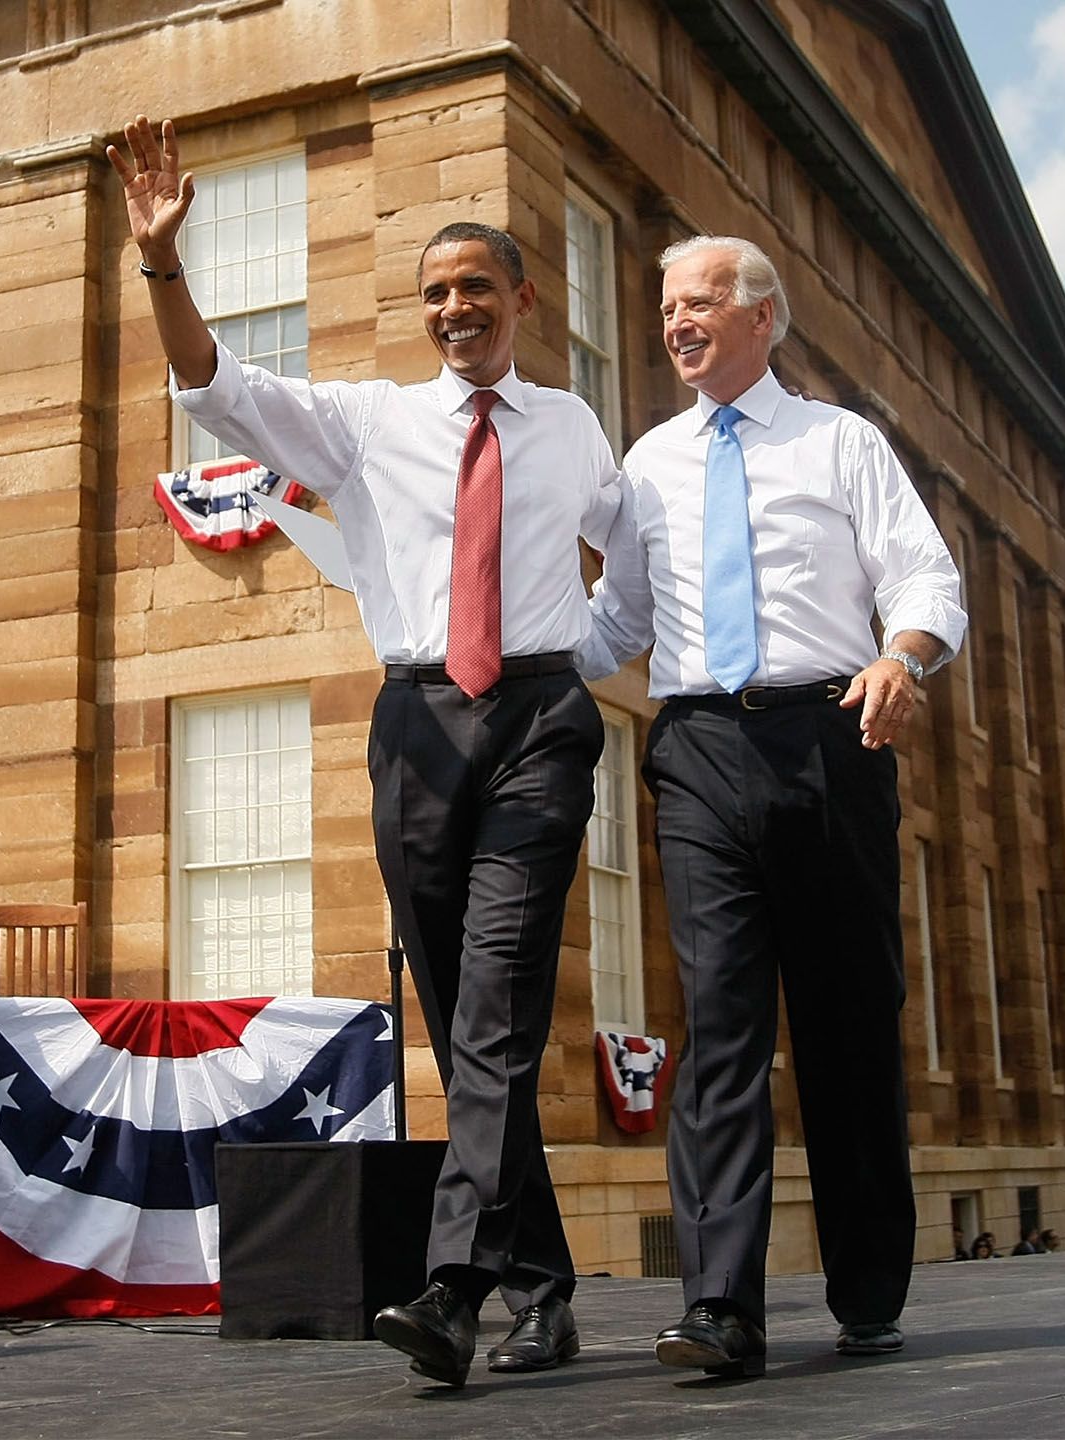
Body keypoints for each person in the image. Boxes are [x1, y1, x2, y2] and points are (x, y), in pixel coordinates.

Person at [111, 117, 620, 1389]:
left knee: (495, 1001)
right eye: (435, 292)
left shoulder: (572, 427)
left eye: (475, 288)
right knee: (466, 1022)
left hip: (538, 723)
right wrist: (163, 264)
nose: (454, 310)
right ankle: (543, 1291)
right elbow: (215, 385)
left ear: (521, 300)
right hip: (417, 728)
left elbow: (638, 552)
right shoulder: (366, 424)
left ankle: (451, 1291)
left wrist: (591, 652)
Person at [577, 234, 965, 1376]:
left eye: (698, 302)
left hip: (829, 736)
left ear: (762, 317)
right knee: (719, 1025)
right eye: (666, 307)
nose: (675, 323)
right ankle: (719, 1309)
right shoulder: (649, 463)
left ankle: (868, 1289)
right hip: (698, 747)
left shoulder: (841, 442)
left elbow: (925, 575)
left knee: (848, 1023)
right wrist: (511, 656)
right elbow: (618, 622)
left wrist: (902, 656)